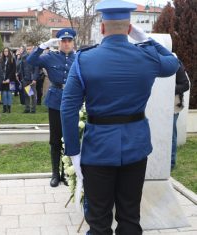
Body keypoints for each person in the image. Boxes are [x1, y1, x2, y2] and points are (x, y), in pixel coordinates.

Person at [60, 0, 179, 234]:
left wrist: (73, 153)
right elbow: (173, 63)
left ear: (102, 28)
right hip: (135, 147)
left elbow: (67, 109)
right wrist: (145, 38)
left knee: (99, 220)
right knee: (130, 217)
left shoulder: (84, 59)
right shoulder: (147, 57)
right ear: (129, 27)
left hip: (98, 150)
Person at [27, 28, 76, 187]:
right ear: (59, 43)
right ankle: (55, 173)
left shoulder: (79, 58)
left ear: (73, 42)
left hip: (72, 100)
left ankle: (68, 172)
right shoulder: (51, 57)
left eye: (69, 41)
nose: (66, 44)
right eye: (64, 41)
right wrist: (44, 45)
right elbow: (31, 61)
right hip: (55, 100)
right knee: (55, 139)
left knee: (70, 138)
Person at [171, 60, 189, 170]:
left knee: (171, 135)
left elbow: (185, 84)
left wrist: (167, 90)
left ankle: (171, 163)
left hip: (172, 106)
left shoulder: (175, 62)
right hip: (157, 106)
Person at [19, 45, 39, 113]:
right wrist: (22, 78)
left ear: (32, 49)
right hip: (25, 79)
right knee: (27, 94)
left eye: (30, 49)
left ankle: (33, 109)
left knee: (33, 95)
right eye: (27, 49)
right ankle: (27, 108)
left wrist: (34, 79)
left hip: (32, 80)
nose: (28, 50)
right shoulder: (24, 57)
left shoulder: (35, 58)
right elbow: (21, 69)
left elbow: (36, 69)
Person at [0, 47, 16, 113]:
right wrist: (2, 79)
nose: (5, 52)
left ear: (9, 52)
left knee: (9, 93)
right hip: (3, 79)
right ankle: (4, 108)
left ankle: (9, 108)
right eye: (4, 51)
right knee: (4, 94)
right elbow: (0, 70)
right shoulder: (1, 60)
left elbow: (13, 70)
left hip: (11, 80)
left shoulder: (12, 59)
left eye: (7, 51)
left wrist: (9, 79)